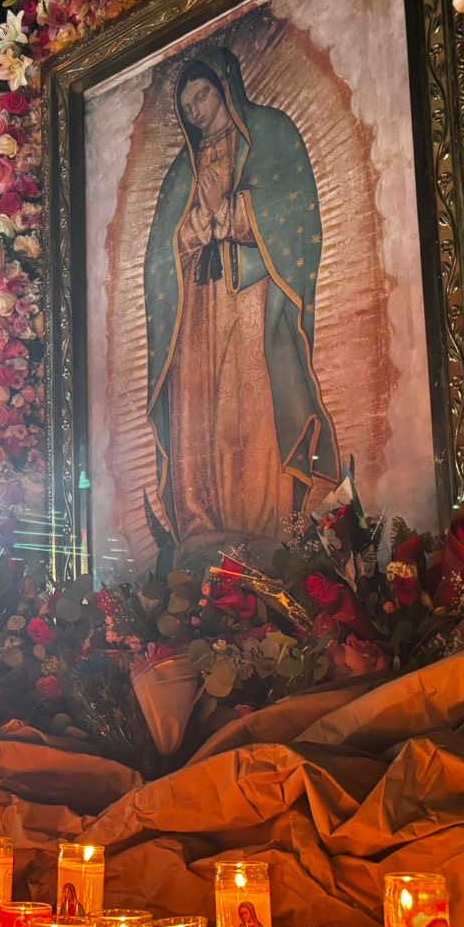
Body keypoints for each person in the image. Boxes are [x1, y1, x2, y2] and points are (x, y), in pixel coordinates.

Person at [143, 47, 340, 566]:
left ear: (227, 87)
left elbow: (297, 212)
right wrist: (193, 230)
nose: (198, 113)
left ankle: (263, 526)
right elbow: (160, 254)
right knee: (199, 414)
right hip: (197, 314)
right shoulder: (180, 173)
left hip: (250, 301)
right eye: (188, 108)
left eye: (203, 97)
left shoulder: (271, 135)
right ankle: (201, 526)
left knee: (247, 406)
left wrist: (231, 215)